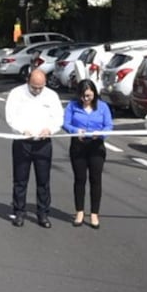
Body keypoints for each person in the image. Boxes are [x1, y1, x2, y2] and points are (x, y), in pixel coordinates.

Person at [4, 68, 63, 228]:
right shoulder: (16, 94)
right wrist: (22, 130)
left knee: (43, 180)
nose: (37, 90)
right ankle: (19, 212)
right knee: (20, 179)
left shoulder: (51, 96)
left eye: (40, 87)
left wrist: (50, 129)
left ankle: (43, 213)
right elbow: (10, 116)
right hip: (22, 141)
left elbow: (58, 118)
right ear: (28, 82)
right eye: (34, 87)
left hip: (43, 143)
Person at [62, 79, 113, 229]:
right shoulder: (72, 106)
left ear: (94, 94)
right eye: (83, 96)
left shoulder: (103, 107)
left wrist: (101, 133)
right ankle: (79, 211)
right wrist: (75, 131)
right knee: (80, 179)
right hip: (78, 146)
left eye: (89, 96)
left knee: (95, 179)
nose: (85, 99)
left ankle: (94, 213)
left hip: (96, 146)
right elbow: (66, 123)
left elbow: (109, 125)